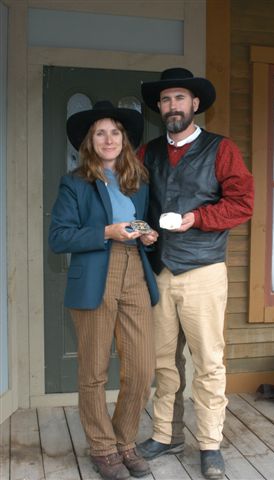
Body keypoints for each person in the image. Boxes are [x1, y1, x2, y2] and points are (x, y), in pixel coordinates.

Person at [137, 68, 254, 480]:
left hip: (204, 270)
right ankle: (166, 434)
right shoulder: (147, 152)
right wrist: (142, 230)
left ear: (195, 104)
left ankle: (209, 443)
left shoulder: (221, 149)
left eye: (179, 99)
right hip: (160, 270)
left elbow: (242, 203)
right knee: (163, 362)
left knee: (208, 362)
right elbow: (131, 199)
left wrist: (197, 218)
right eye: (166, 100)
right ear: (160, 108)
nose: (172, 107)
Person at [49, 100, 159, 480]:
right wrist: (106, 233)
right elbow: (59, 237)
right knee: (93, 371)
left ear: (124, 139)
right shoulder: (74, 182)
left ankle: (125, 439)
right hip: (97, 271)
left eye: (115, 132)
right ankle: (102, 447)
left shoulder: (137, 180)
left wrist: (147, 236)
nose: (109, 139)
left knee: (142, 367)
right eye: (100, 132)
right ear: (89, 141)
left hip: (135, 272)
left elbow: (140, 223)